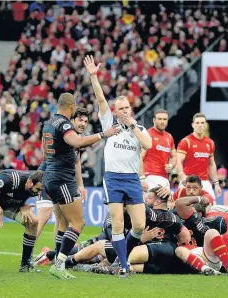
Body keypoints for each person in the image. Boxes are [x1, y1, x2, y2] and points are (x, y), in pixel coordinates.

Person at [84, 55, 152, 278]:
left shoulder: (138, 127)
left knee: (140, 226)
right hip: (113, 178)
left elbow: (148, 145)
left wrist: (133, 127)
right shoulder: (108, 123)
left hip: (132, 179)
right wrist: (94, 76)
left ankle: (121, 257)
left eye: (127, 108)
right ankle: (123, 266)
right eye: (120, 108)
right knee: (118, 223)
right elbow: (101, 99)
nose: (124, 111)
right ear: (115, 111)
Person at [42, 92, 119, 280]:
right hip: (61, 179)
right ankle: (59, 264)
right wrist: (102, 134)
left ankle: (57, 260)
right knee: (78, 222)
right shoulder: (65, 124)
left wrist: (79, 183)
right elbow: (75, 141)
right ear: (71, 106)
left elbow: (48, 152)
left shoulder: (48, 123)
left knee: (63, 222)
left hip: (52, 176)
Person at [35, 107, 90, 242]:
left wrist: (81, 185)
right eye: (80, 120)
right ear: (72, 120)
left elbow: (76, 162)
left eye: (86, 121)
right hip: (50, 177)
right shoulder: (67, 134)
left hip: (56, 178)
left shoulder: (76, 138)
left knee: (62, 220)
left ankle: (57, 254)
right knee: (44, 216)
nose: (83, 123)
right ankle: (26, 254)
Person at [0, 170, 44, 272]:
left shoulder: (32, 186)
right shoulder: (8, 180)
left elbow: (17, 195)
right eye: (38, 189)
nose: (38, 193)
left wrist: (23, 206)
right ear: (29, 183)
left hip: (9, 204)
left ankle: (25, 265)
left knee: (33, 222)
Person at [176, 113, 221, 199]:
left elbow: (211, 165)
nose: (200, 125)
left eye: (202, 123)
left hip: (204, 181)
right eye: (197, 123)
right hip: (188, 181)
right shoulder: (186, 141)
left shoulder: (210, 143)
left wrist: (216, 183)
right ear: (193, 125)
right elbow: (178, 161)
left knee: (212, 205)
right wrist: (182, 176)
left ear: (205, 125)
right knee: (184, 209)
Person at [140, 109, 176, 191]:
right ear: (154, 120)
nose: (162, 122)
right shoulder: (147, 134)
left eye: (164, 119)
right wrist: (142, 179)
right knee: (151, 203)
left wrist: (171, 165)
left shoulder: (169, 137)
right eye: (159, 119)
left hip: (165, 178)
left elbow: (174, 156)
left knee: (166, 204)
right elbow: (140, 157)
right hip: (149, 177)